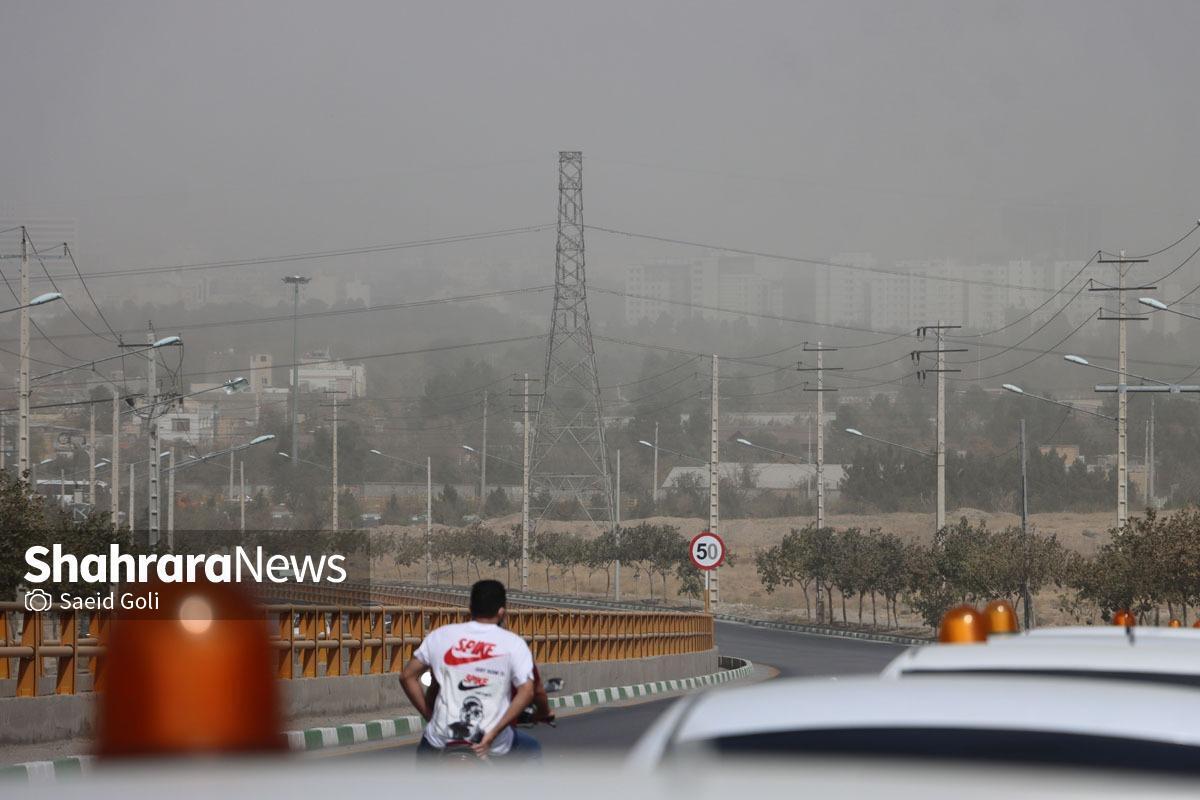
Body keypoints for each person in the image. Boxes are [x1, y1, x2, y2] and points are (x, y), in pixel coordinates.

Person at [401, 579, 535, 760]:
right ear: (502, 612)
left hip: (441, 739)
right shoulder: (513, 643)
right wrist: (493, 734)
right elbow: (527, 691)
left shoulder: (441, 635)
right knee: (533, 750)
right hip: (491, 742)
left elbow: (407, 676)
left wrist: (429, 716)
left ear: (470, 608)